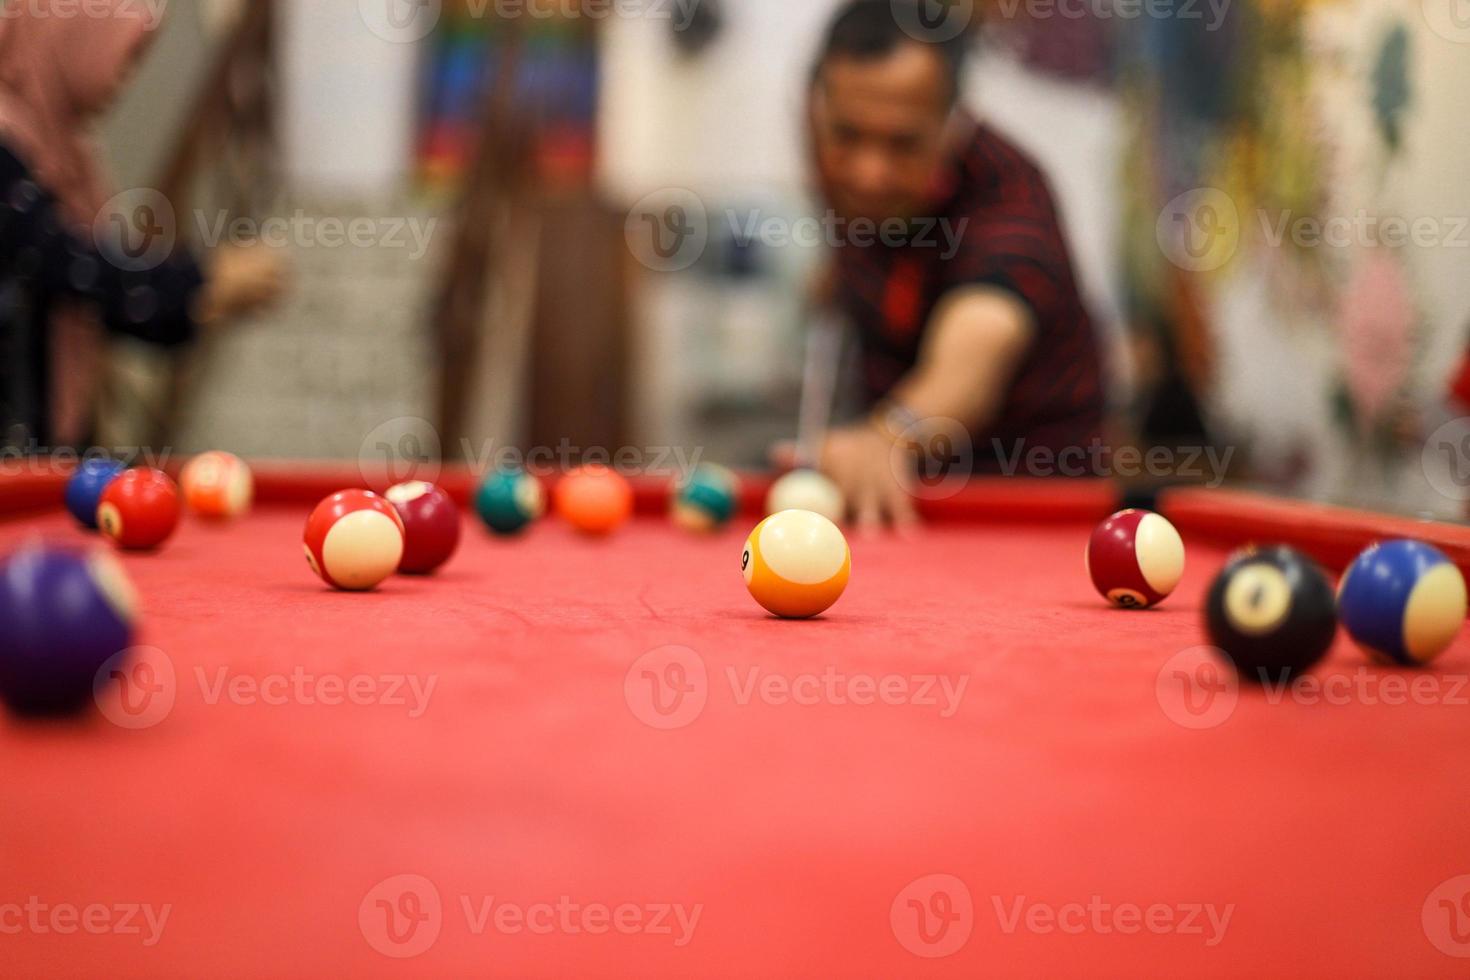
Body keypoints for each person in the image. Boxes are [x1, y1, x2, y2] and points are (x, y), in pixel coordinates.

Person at [804, 0, 1105, 528]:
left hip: (1035, 518)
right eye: (847, 135)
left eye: (903, 143)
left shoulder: (1010, 198)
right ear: (817, 109)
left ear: (953, 125)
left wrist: (889, 435)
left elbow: (976, 352)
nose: (869, 173)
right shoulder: (839, 166)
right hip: (898, 508)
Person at [0, 0, 283, 453]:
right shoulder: (8, 148)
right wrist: (203, 279)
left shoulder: (65, 153)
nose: (123, 77)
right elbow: (66, 265)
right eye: (124, 57)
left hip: (50, 448)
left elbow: (106, 304)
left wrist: (205, 298)